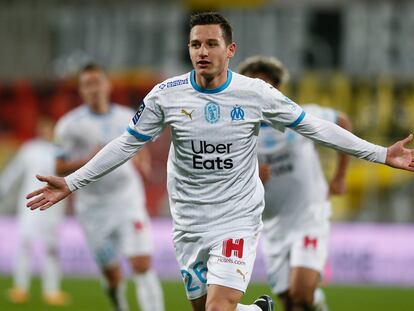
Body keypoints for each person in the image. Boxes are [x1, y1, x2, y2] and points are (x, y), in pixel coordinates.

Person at [26, 12, 414, 311]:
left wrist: (381, 153)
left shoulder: (256, 94)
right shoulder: (166, 96)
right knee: (205, 308)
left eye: (212, 44)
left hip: (237, 217)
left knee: (216, 307)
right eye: (196, 44)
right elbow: (126, 143)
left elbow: (316, 127)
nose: (202, 52)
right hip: (189, 221)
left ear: (230, 50)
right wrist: (73, 181)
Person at [239, 56, 352, 311]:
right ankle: (319, 303)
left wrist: (340, 175)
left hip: (308, 216)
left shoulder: (300, 115)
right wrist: (250, 177)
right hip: (272, 225)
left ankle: (314, 299)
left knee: (301, 294)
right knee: (291, 302)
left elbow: (342, 121)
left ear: (277, 88)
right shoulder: (239, 129)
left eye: (264, 85)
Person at [53, 63, 164, 311]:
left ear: (107, 85)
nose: (93, 89)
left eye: (97, 82)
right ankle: (119, 304)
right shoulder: (69, 125)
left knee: (142, 264)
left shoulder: (128, 116)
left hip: (127, 200)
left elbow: (141, 147)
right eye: (87, 84)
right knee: (113, 276)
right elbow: (59, 167)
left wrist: (143, 162)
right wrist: (91, 159)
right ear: (81, 90)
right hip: (93, 209)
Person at [0, 117, 69, 306]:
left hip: (54, 207)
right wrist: (3, 188)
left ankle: (52, 291)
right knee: (25, 244)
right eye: (43, 127)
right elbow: (15, 171)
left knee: (52, 248)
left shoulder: (63, 151)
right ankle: (20, 288)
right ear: (39, 129)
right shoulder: (30, 148)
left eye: (49, 127)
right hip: (30, 204)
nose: (46, 131)